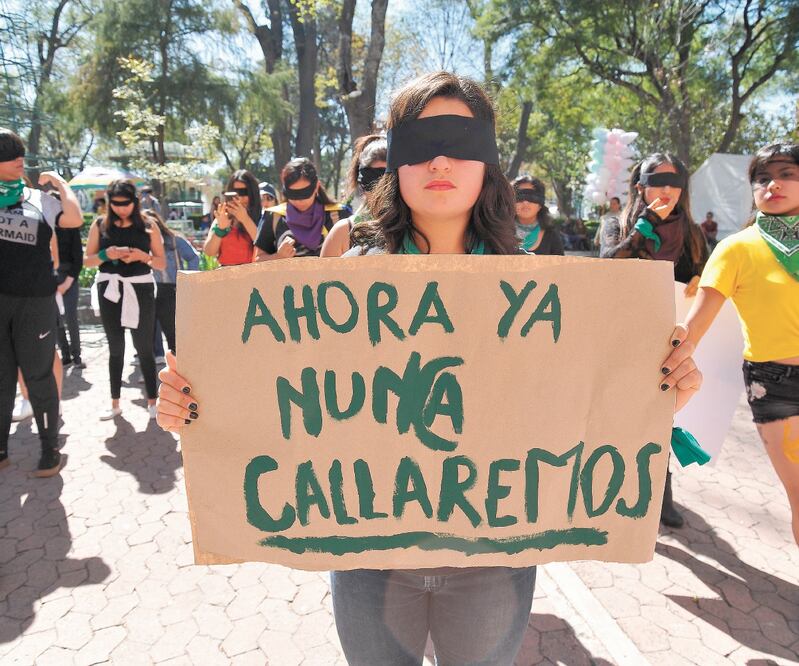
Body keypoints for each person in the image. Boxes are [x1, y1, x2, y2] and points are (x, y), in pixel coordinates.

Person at [156, 71, 702, 665]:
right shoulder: (341, 285)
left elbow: (590, 398)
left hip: (495, 562)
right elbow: (289, 395)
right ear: (396, 159)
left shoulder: (547, 292)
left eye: (462, 142)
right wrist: (197, 404)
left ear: (488, 161)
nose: (440, 158)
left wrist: (663, 387)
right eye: (420, 140)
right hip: (369, 560)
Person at [685, 142, 799, 545]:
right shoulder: (736, 248)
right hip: (777, 385)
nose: (773, 184)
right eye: (762, 177)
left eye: (786, 173)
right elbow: (693, 328)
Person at [600, 152, 708, 529]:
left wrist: (700, 285)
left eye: (673, 183)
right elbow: (610, 265)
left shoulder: (692, 233)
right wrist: (646, 224)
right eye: (656, 182)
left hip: (669, 343)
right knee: (617, 416)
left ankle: (661, 494)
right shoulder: (617, 223)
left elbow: (702, 276)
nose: (665, 190)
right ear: (640, 187)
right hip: (621, 337)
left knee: (661, 416)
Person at [0, 128, 84, 476]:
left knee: (38, 376)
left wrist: (62, 184)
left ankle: (50, 449)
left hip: (36, 302)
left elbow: (75, 218)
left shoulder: (39, 199)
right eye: (9, 153)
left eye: (20, 153)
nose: (20, 159)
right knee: (2, 377)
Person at [85, 180, 166, 420]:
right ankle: (115, 402)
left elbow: (161, 263)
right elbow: (87, 260)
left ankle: (153, 401)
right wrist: (104, 255)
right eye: (116, 204)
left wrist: (144, 256)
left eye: (126, 204)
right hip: (110, 288)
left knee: (144, 346)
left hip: (139, 288)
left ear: (135, 202)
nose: (121, 209)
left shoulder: (149, 224)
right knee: (116, 347)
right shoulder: (100, 224)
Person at [254, 158, 350, 260]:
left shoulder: (340, 215)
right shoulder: (273, 216)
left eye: (304, 193)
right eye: (293, 195)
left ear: (316, 186)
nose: (299, 200)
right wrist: (278, 256)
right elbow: (258, 259)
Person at [321, 134, 387, 258]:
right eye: (373, 180)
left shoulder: (420, 229)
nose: (381, 190)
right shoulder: (342, 233)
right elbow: (324, 277)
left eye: (388, 181)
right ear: (362, 182)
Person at [146, 210, 200, 355]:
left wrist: (186, 279)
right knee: (151, 324)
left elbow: (194, 257)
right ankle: (157, 353)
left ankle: (177, 356)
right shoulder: (141, 243)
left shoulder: (175, 240)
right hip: (150, 286)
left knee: (171, 327)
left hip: (171, 287)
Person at [203, 170, 260, 267]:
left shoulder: (261, 218)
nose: (240, 198)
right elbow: (209, 252)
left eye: (244, 192)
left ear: (252, 193)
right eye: (235, 193)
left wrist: (245, 219)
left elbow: (264, 247)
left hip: (252, 276)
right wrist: (221, 229)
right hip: (225, 276)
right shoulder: (223, 217)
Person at [54, 197, 85, 369]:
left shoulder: (71, 227)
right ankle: (65, 354)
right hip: (51, 277)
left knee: (71, 317)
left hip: (70, 276)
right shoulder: (44, 226)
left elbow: (78, 260)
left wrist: (67, 282)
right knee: (56, 319)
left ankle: (77, 355)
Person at [511, 175, 564, 255]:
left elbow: (561, 266)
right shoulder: (499, 233)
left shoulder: (551, 235)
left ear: (540, 204)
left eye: (531, 197)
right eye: (520, 196)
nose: (525, 202)